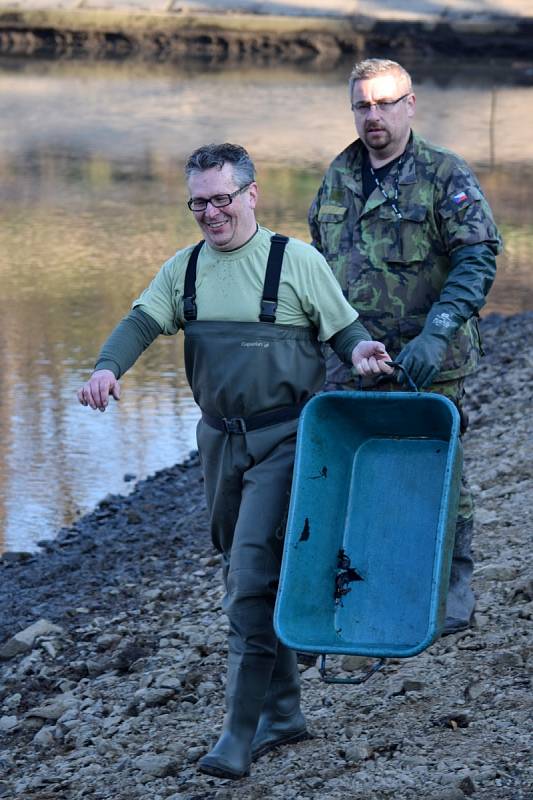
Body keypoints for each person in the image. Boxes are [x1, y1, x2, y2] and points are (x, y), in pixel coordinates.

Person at [78, 143, 393, 780]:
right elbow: (141, 321)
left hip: (286, 441)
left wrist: (362, 355)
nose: (211, 213)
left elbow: (347, 332)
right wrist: (108, 368)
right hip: (218, 444)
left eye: (223, 198)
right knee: (243, 570)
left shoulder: (295, 262)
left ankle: (238, 735)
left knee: (249, 580)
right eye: (199, 201)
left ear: (252, 194)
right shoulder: (185, 269)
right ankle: (283, 711)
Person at [309, 58, 503, 637]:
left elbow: (478, 257)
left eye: (385, 103)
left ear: (410, 104)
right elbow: (317, 267)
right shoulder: (336, 177)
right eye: (363, 105)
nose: (374, 115)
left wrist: (437, 330)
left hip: (430, 359)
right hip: (353, 359)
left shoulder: (446, 174)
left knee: (440, 472)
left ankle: (452, 598)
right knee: (358, 471)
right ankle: (367, 589)